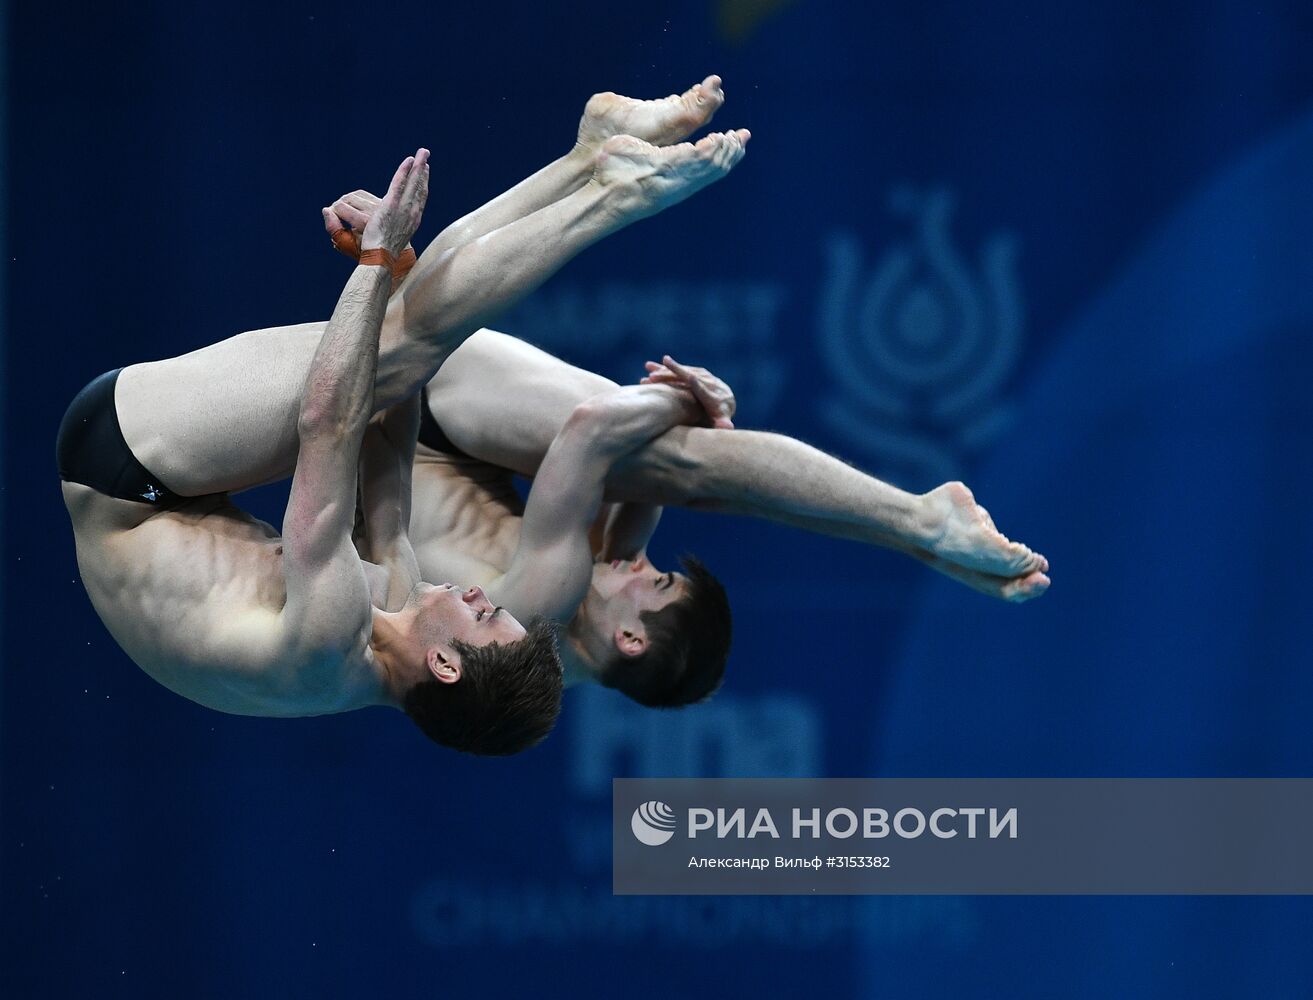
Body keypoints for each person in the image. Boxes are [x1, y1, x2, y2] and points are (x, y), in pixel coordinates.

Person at [58, 83, 750, 751]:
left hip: (126, 466)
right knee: (410, 340)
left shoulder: (329, 639)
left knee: (404, 341)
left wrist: (379, 258)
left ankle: (610, 195)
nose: (482, 592)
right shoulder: (391, 598)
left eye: (482, 614)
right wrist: (396, 271)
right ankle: (585, 162)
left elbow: (328, 425)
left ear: (446, 665)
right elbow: (387, 436)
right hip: (166, 484)